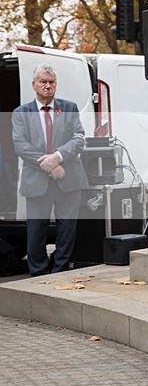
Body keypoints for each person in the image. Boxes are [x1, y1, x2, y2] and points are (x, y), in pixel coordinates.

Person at [12, 64, 88, 275]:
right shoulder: (21, 113)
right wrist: (50, 166)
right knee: (36, 230)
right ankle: (38, 273)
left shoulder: (69, 107)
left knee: (67, 230)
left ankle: (60, 271)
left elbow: (79, 139)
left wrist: (58, 156)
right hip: (37, 180)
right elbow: (21, 145)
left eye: (51, 82)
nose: (48, 86)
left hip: (69, 178)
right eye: (43, 82)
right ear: (34, 84)